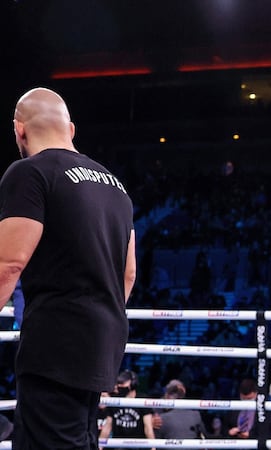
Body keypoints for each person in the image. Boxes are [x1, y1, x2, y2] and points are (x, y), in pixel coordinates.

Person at [0, 87, 136, 450]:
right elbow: (128, 274)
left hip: (55, 342)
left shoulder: (29, 173)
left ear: (19, 130)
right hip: (102, 343)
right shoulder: (117, 186)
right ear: (71, 130)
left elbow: (9, 263)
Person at [99, 370, 155, 450]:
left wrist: (153, 447)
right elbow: (107, 427)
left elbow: (148, 427)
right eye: (118, 384)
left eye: (122, 383)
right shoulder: (114, 400)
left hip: (137, 445)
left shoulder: (142, 400)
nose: (119, 386)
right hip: (118, 446)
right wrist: (100, 447)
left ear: (133, 384)